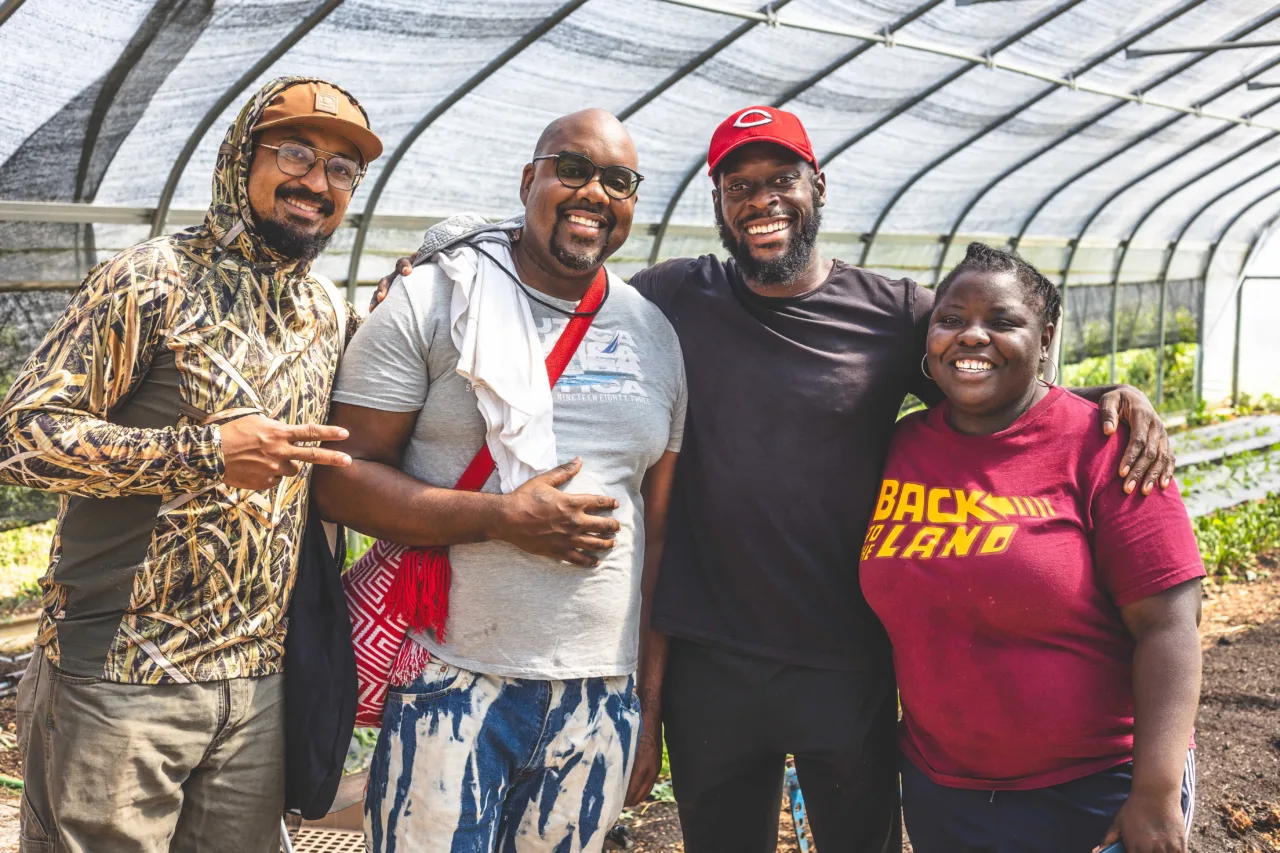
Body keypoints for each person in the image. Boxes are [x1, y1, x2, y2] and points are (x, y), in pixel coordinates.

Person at [372, 105, 1176, 853]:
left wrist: (1108, 401)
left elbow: (998, 365)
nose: (762, 201)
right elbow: (561, 269)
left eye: (780, 181)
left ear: (816, 186)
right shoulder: (671, 298)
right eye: (739, 186)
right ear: (719, 200)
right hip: (709, 664)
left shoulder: (895, 312)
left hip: (847, 661)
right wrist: (444, 252)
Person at [0, 77, 381, 852]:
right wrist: (205, 452)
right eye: (297, 153)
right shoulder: (152, 279)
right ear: (242, 157)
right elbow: (21, 435)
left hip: (259, 685)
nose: (318, 182)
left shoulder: (327, 312)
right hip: (121, 673)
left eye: (342, 169)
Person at [312, 109, 687, 853]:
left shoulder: (654, 333)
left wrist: (648, 705)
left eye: (618, 181)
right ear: (531, 179)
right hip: (449, 682)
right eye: (572, 169)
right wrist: (502, 517)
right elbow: (340, 480)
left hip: (598, 697)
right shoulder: (434, 301)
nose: (593, 193)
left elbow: (660, 537)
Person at [859, 242, 1203, 853]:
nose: (971, 336)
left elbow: (1170, 626)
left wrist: (1154, 791)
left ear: (1046, 337)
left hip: (1095, 790)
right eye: (951, 319)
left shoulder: (1104, 446)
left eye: (1002, 321)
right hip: (944, 789)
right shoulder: (899, 448)